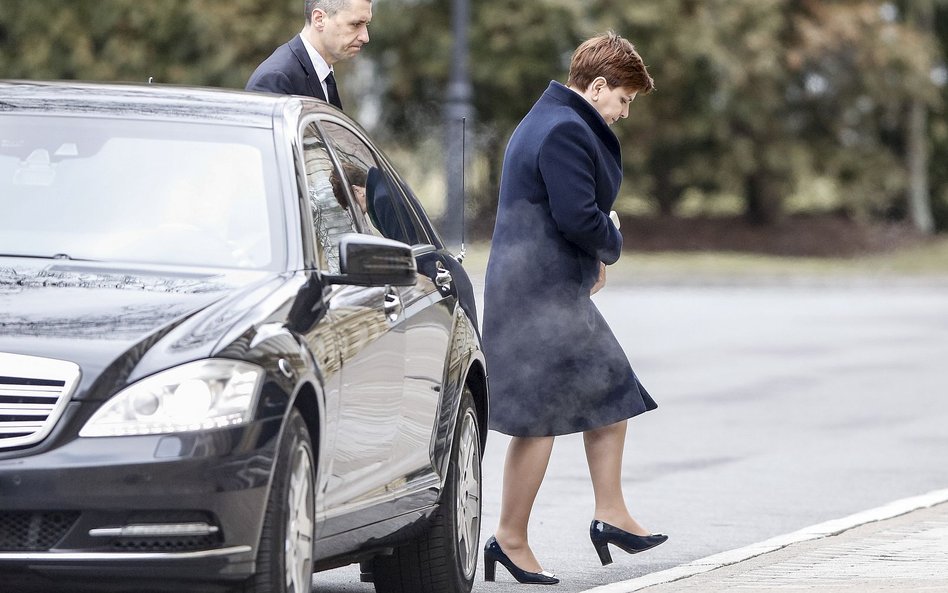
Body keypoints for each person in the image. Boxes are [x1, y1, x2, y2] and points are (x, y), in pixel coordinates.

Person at [481, 32, 665, 585]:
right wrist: (610, 238)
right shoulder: (563, 128)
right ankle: (511, 539)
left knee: (609, 391)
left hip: (541, 292)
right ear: (599, 85)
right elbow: (579, 218)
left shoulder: (553, 119)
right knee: (540, 423)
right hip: (537, 296)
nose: (625, 113)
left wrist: (590, 261)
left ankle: (609, 513)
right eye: (624, 100)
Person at [245, 0, 372, 109]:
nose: (365, 37)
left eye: (366, 24)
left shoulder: (323, 75)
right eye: (355, 24)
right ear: (319, 19)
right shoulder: (275, 79)